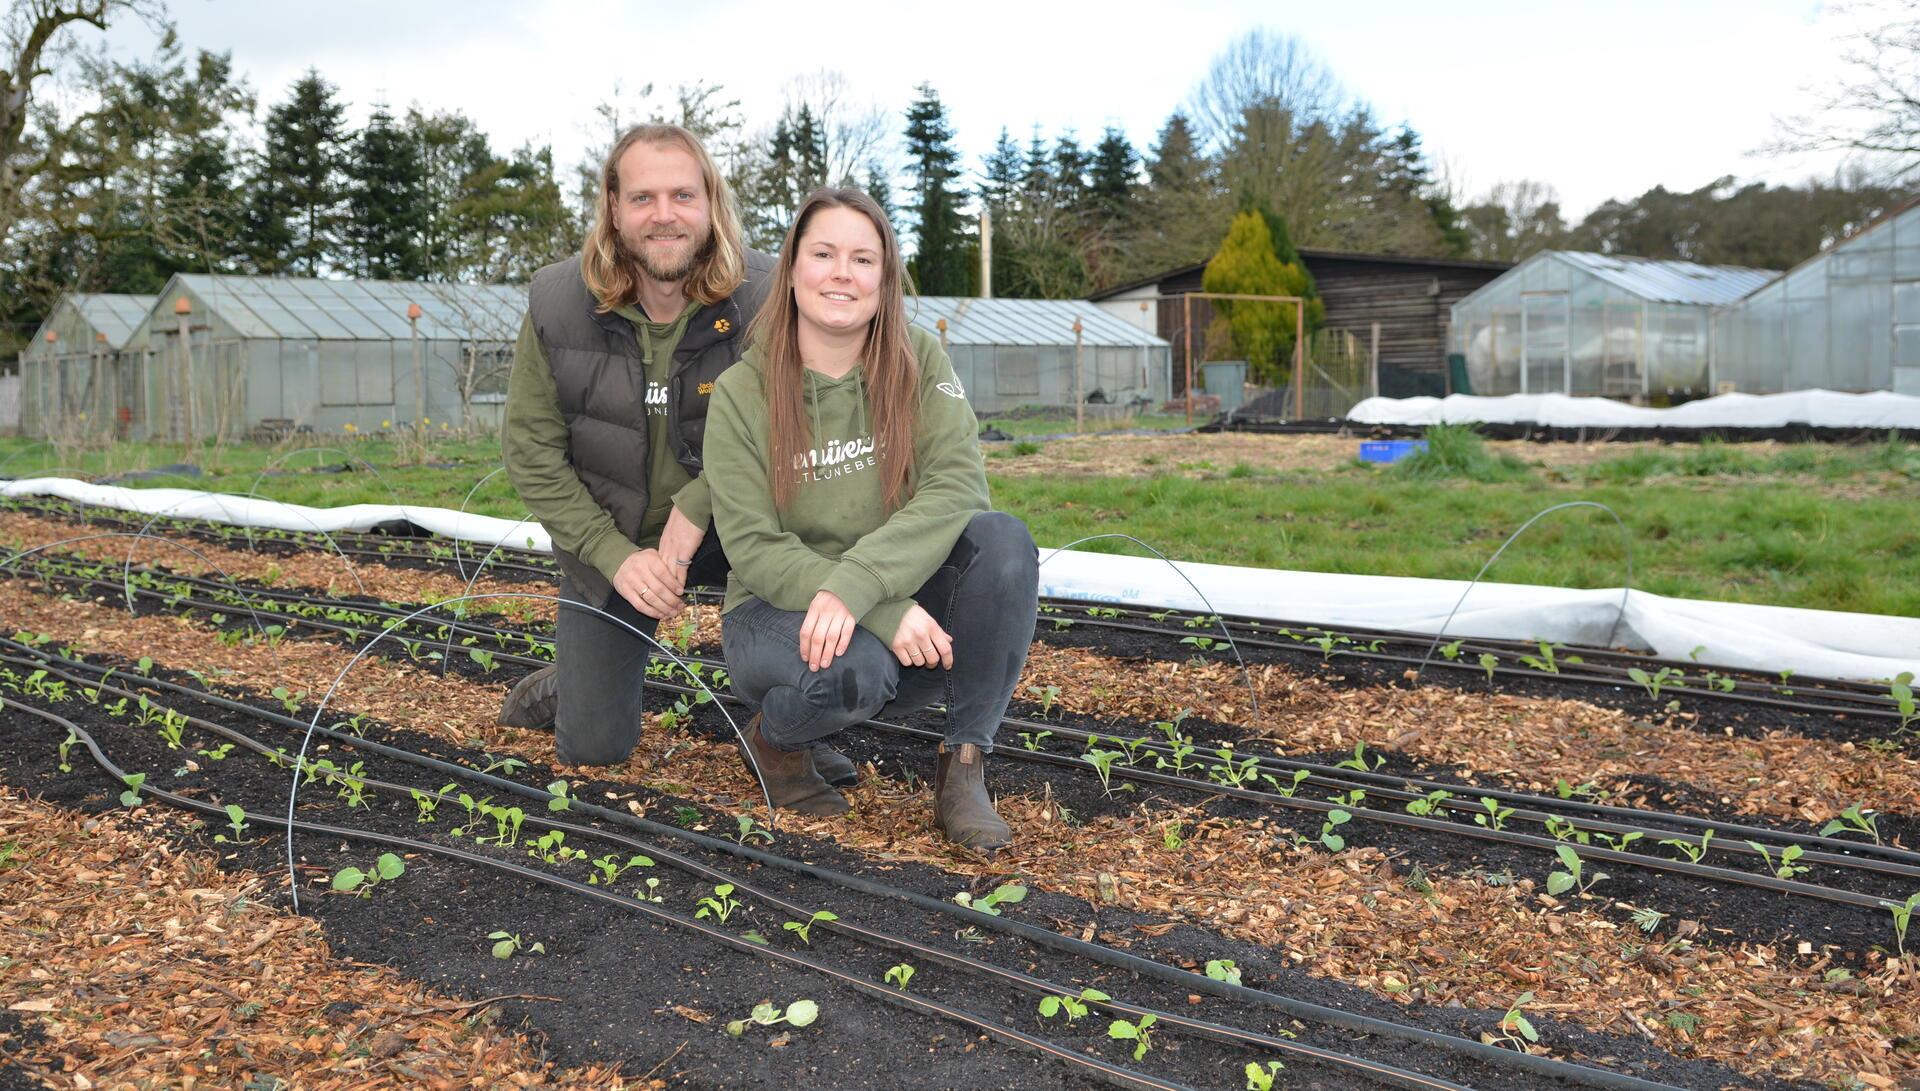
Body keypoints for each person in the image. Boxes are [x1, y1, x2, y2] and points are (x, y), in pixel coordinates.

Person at [494, 123, 859, 787]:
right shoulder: (557, 305)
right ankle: (569, 685)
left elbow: (793, 426)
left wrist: (695, 521)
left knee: (827, 540)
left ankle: (787, 723)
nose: (664, 215)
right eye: (643, 198)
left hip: (735, 527)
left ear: (711, 201)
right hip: (617, 534)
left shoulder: (765, 297)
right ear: (612, 207)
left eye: (683, 195)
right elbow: (531, 451)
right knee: (594, 747)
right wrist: (614, 556)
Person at [702, 187, 1039, 852]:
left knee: (1003, 544)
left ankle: (964, 769)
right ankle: (775, 740)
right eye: (823, 253)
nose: (842, 273)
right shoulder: (744, 392)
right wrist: (877, 607)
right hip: (774, 613)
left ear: (885, 279)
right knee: (854, 667)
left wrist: (861, 585)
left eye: (863, 259)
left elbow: (959, 483)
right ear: (793, 268)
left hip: (885, 602)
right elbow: (751, 546)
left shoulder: (916, 359)